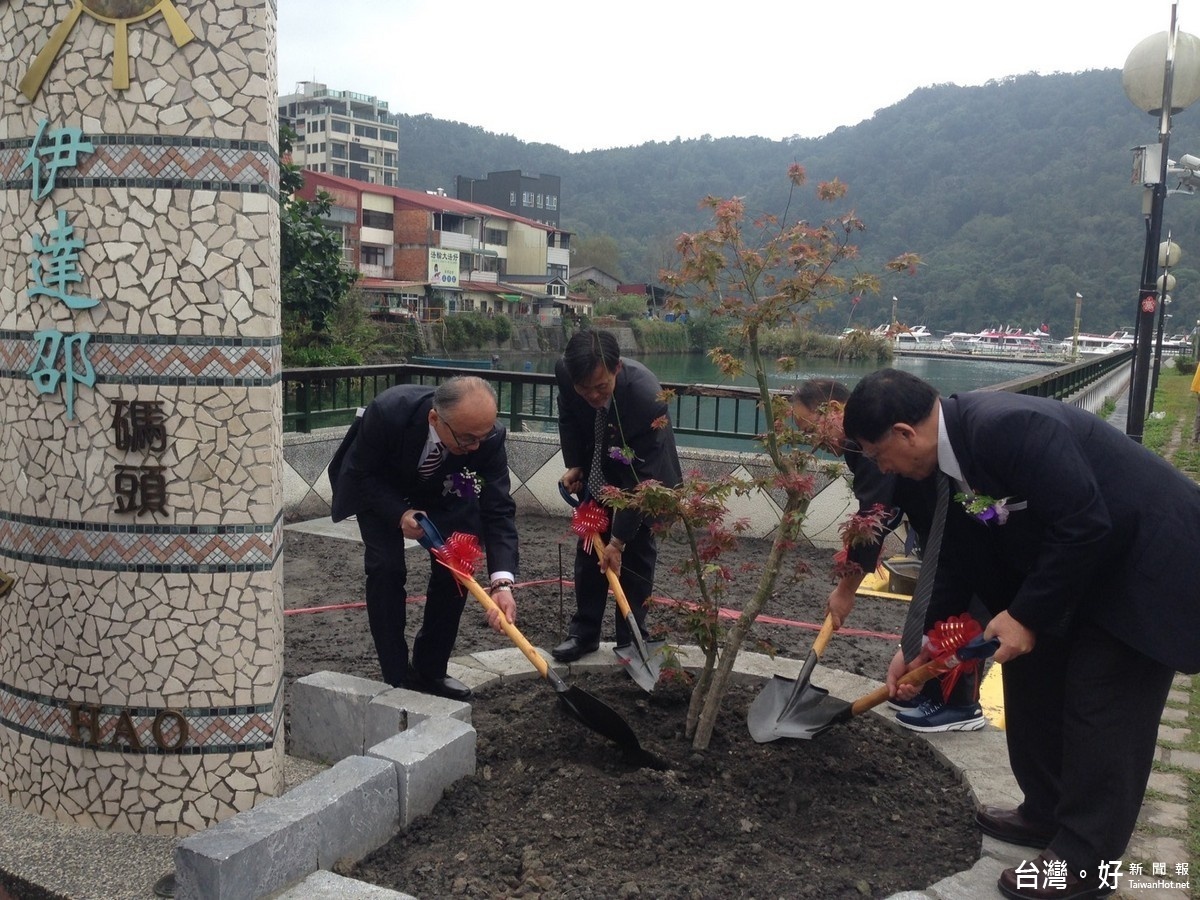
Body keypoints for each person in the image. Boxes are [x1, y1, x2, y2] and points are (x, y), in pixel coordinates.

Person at [843, 368, 1200, 900]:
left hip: (1146, 566)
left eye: (877, 454)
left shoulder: (1009, 427)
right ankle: (1045, 811)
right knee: (1031, 676)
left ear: (903, 433)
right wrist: (923, 646)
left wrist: (1027, 615)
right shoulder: (946, 468)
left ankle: (1085, 859)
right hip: (1076, 569)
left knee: (1100, 706)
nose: (881, 468)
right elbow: (961, 560)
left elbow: (1084, 523)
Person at [791, 379, 985, 733]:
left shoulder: (867, 444)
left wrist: (846, 591)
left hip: (955, 525)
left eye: (811, 429)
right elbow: (886, 511)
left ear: (834, 411)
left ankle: (961, 706)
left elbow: (874, 519)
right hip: (936, 523)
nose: (813, 441)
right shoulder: (859, 445)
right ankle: (932, 690)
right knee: (939, 607)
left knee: (951, 608)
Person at [328, 376, 519, 700]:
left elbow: (498, 510)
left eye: (482, 437)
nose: (475, 447)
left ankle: (431, 670)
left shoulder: (487, 438)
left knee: (456, 571)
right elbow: (360, 473)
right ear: (435, 419)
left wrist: (502, 583)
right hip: (381, 490)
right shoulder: (389, 411)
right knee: (386, 569)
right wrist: (398, 513)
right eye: (467, 439)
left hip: (445, 493)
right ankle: (397, 675)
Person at [551, 330, 683, 662]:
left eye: (601, 387)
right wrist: (576, 465)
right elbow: (568, 417)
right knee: (589, 552)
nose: (593, 396)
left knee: (634, 558)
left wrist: (619, 541)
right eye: (585, 389)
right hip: (598, 466)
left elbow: (640, 478)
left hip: (643, 475)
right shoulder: (567, 372)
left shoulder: (645, 397)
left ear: (617, 369)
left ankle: (631, 637)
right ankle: (584, 632)